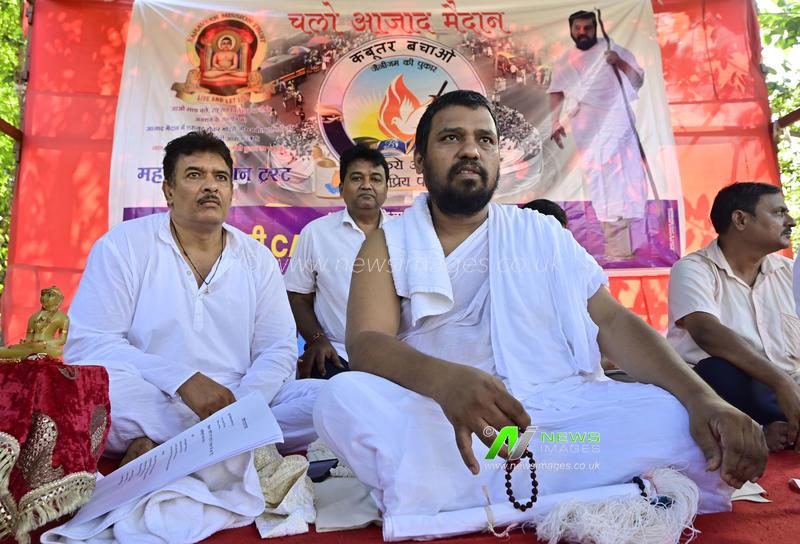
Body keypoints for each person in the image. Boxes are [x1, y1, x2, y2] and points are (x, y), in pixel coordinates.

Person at [312, 90, 766, 539]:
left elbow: (612, 322)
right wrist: (445, 381)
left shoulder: (541, 233)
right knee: (342, 398)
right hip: (451, 420)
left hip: (556, 416)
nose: (471, 149)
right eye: (451, 138)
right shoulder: (388, 243)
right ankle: (596, 484)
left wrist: (703, 398)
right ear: (420, 159)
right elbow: (367, 343)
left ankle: (458, 496)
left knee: (671, 414)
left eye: (485, 140)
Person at [65, 131, 322, 465]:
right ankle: (228, 448)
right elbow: (90, 345)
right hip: (153, 395)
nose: (211, 186)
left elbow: (277, 348)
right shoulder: (123, 246)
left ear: (231, 191)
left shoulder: (257, 258)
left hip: (238, 397)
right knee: (99, 392)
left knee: (330, 398)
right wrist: (181, 380)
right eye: (194, 175)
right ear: (168, 191)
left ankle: (165, 448)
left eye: (220, 177)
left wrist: (240, 406)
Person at [668, 182, 800, 452]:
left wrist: (788, 387)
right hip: (731, 394)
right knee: (716, 370)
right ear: (740, 219)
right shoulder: (693, 269)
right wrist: (781, 382)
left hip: (787, 392)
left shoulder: (790, 272)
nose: (791, 221)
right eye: (778, 213)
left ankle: (784, 429)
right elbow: (706, 332)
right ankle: (759, 428)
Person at [285, 144, 390, 379]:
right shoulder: (316, 233)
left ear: (386, 189)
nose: (366, 185)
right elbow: (297, 297)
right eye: (356, 178)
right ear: (341, 188)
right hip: (336, 354)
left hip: (395, 356)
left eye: (375, 178)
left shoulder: (404, 234)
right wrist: (317, 341)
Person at [547, 10, 646, 259]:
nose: (582, 32)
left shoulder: (613, 49)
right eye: (578, 28)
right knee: (598, 176)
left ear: (595, 28)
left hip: (617, 120)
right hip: (586, 125)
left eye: (588, 28)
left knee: (626, 176)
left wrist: (618, 62)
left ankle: (628, 245)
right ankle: (613, 246)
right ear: (571, 30)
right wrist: (555, 122)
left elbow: (637, 79)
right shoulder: (565, 61)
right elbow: (556, 91)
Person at [0, 286, 69, 360]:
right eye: (42, 294)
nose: (44, 297)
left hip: (46, 347)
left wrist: (45, 343)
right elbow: (29, 337)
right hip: (31, 346)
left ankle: (27, 355)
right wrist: (26, 341)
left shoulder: (62, 317)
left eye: (50, 295)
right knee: (4, 350)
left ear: (58, 299)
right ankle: (27, 355)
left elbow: (62, 340)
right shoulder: (34, 316)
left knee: (57, 351)